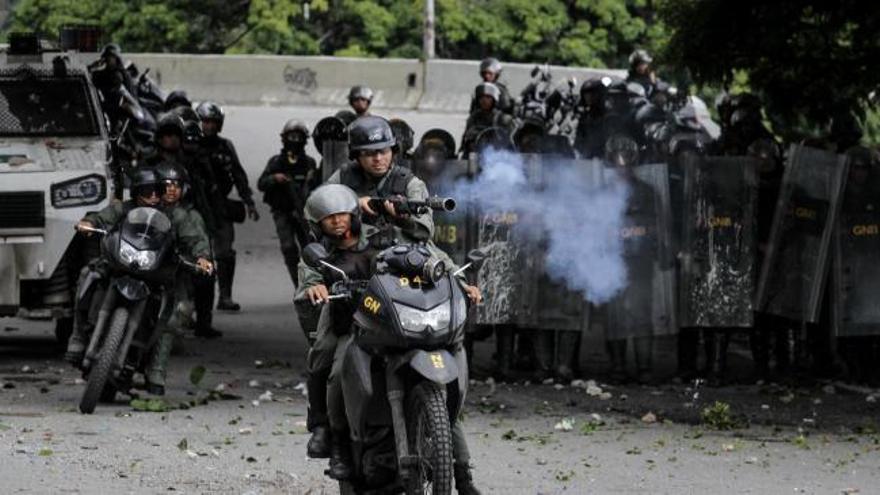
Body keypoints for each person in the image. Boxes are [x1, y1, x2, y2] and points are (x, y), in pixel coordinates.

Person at [66, 167, 213, 394]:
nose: (154, 196)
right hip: (120, 263)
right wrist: (88, 223)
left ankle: (156, 370)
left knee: (177, 310)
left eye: (157, 191)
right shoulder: (122, 208)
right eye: (148, 191)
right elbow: (102, 218)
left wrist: (202, 257)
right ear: (136, 191)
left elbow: (194, 239)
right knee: (88, 274)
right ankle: (77, 336)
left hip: (157, 272)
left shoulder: (177, 215)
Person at [196, 101, 259, 311]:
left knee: (225, 253)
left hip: (220, 206)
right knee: (195, 252)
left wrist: (249, 201)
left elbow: (238, 174)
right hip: (196, 206)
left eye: (214, 122)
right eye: (206, 122)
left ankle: (225, 296)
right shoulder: (192, 146)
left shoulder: (225, 146)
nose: (210, 127)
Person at [257, 120, 319, 288]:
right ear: (284, 138)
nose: (295, 140)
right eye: (291, 136)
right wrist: (274, 179)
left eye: (298, 137)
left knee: (309, 248)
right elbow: (261, 184)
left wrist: (310, 182)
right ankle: (297, 284)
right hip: (282, 211)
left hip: (303, 213)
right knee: (288, 248)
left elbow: (319, 189)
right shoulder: (276, 162)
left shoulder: (310, 163)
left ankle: (310, 283)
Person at [461, 82, 516, 156]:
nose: (484, 100)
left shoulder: (503, 119)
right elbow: (465, 141)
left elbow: (512, 145)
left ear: (494, 99)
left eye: (488, 97)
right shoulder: (473, 118)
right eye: (481, 97)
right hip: (475, 156)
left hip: (499, 157)